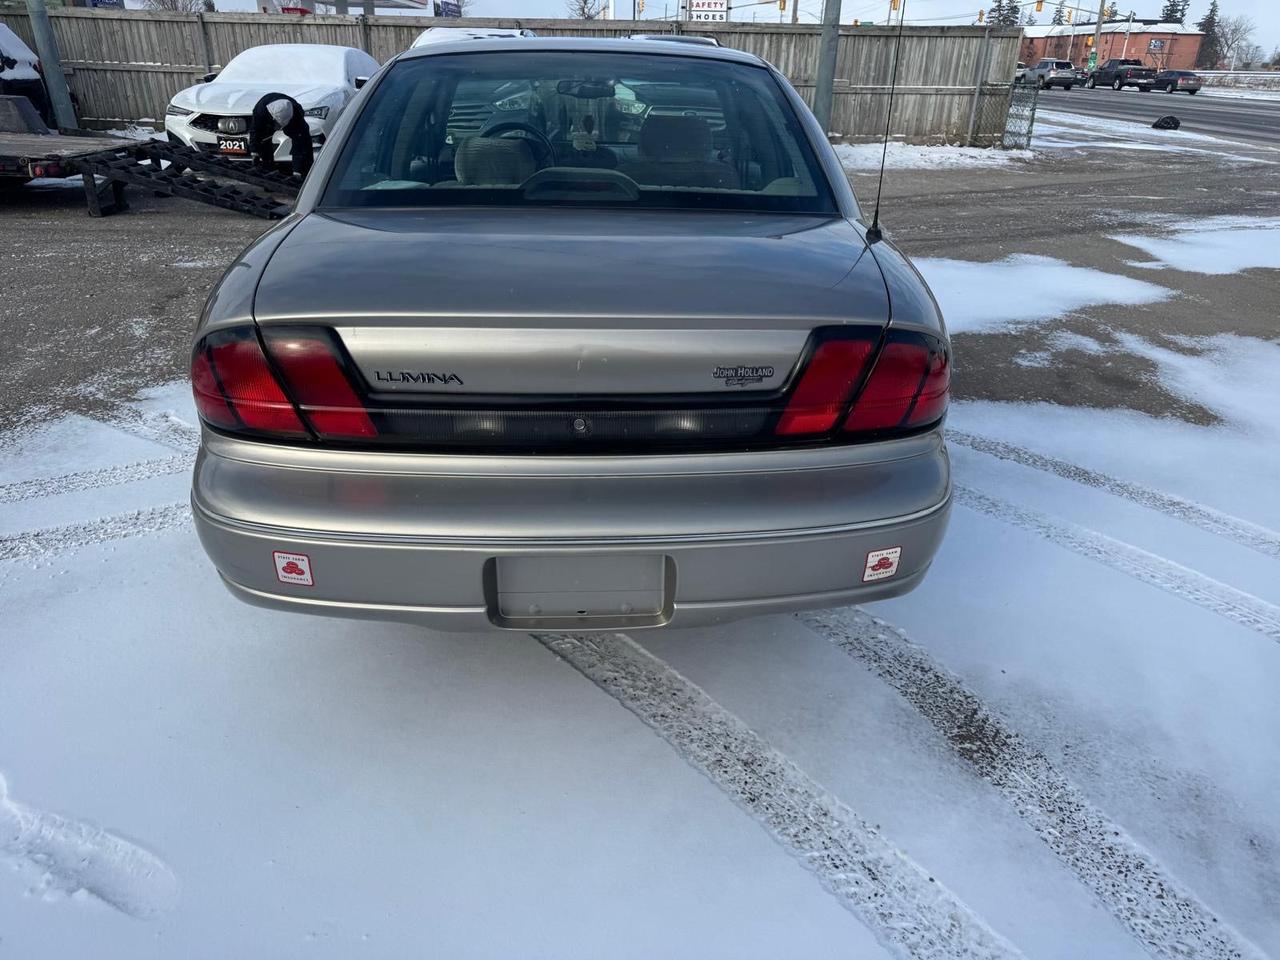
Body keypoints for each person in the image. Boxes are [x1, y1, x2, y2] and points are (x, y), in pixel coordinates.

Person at [249, 92, 313, 177]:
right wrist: (254, 152)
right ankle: (268, 171)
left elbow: (299, 145)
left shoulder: (297, 117)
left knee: (304, 142)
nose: (278, 128)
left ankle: (307, 173)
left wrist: (297, 171)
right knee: (263, 141)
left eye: (280, 126)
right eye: (277, 125)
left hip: (292, 119)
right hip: (266, 109)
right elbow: (255, 131)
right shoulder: (261, 111)